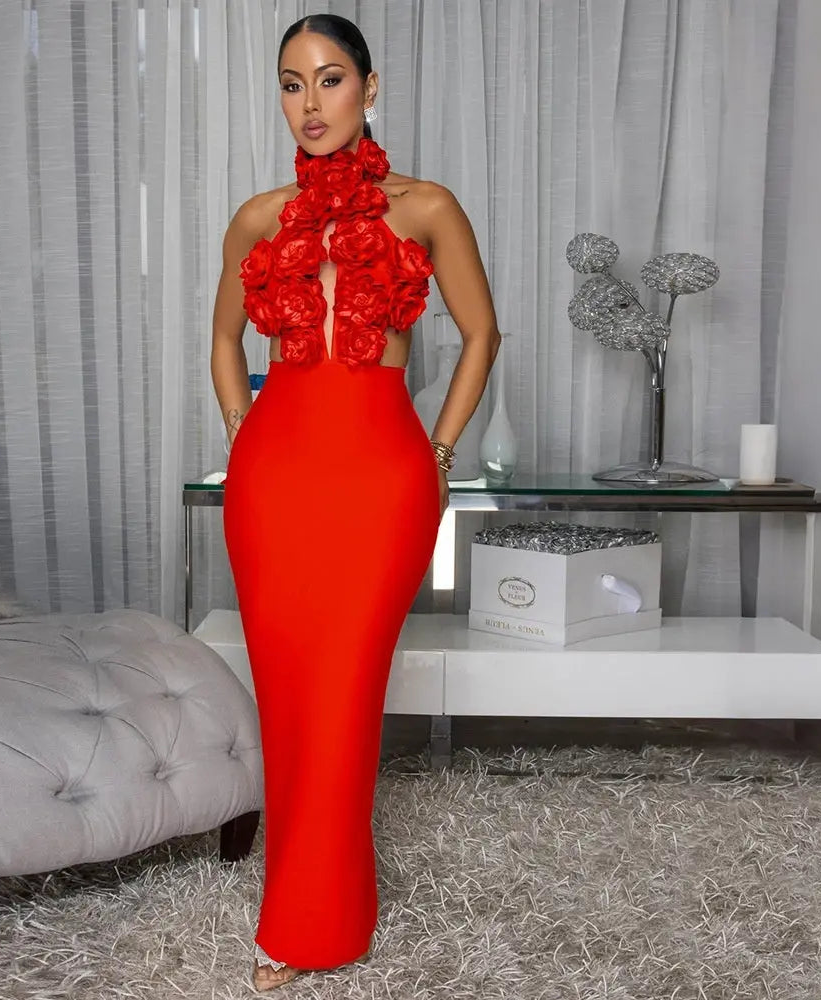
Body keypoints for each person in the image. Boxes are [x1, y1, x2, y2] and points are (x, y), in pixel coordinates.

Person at [209, 12, 500, 993]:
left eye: (330, 79)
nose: (310, 102)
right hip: (274, 481)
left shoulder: (426, 207)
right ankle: (300, 914)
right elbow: (222, 343)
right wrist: (244, 432)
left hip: (380, 478)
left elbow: (482, 333)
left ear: (369, 90)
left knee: (343, 697)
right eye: (292, 83)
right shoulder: (258, 218)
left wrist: (441, 450)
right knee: (288, 697)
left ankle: (321, 919)